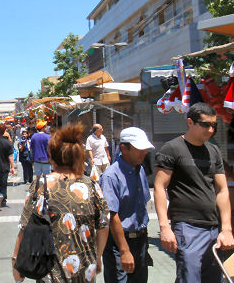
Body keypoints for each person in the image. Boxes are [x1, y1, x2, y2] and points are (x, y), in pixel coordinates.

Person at [12, 123, 110, 282]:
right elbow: (103, 225)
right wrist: (97, 257)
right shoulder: (92, 185)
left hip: (51, 272)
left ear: (52, 156)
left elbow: (25, 226)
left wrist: (16, 260)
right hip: (85, 271)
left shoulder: (41, 184)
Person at [154, 102, 234, 283]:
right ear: (190, 122)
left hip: (213, 227)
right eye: (205, 124)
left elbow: (222, 190)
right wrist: (164, 227)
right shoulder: (172, 148)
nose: (211, 129)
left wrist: (227, 229)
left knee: (213, 279)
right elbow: (159, 188)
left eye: (214, 125)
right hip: (186, 226)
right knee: (189, 278)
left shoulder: (213, 151)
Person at [100, 127, 154, 283]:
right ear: (124, 148)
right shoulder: (111, 176)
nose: (144, 152)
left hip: (140, 241)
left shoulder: (140, 170)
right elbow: (112, 215)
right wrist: (124, 250)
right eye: (139, 149)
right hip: (119, 243)